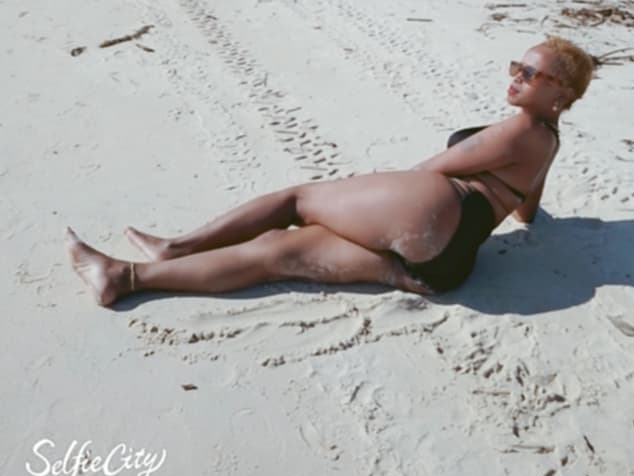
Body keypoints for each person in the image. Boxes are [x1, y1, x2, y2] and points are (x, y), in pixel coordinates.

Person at [66, 37, 594, 305]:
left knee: (299, 201)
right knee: (280, 252)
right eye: (517, 67)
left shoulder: (517, 129)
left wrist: (371, 199)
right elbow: (527, 206)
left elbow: (430, 170)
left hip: (431, 213)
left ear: (561, 93)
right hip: (446, 267)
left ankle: (175, 248)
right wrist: (525, 215)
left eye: (531, 73)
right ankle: (124, 279)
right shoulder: (547, 140)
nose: (516, 76)